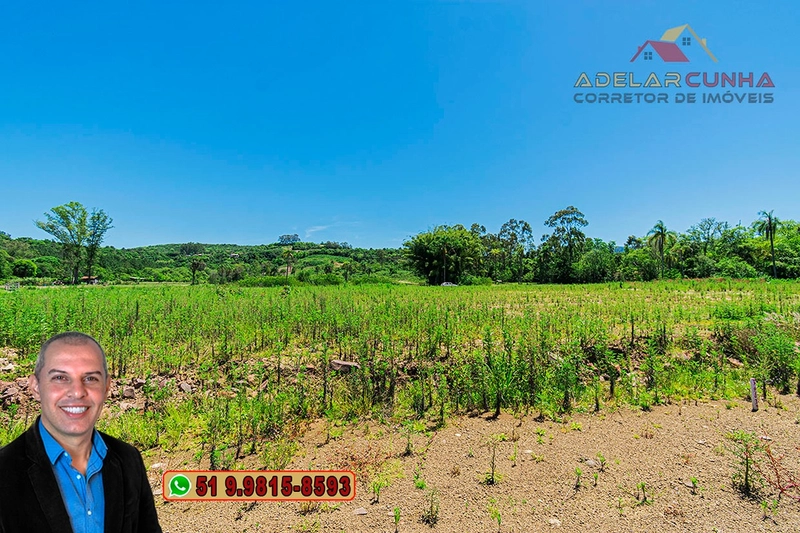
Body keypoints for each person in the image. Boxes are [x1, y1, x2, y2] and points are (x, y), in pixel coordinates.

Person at [0, 331, 162, 533]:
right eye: (60, 377)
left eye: (90, 378)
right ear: (35, 387)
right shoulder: (4, 471)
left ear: (106, 387)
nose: (77, 392)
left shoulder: (129, 460)